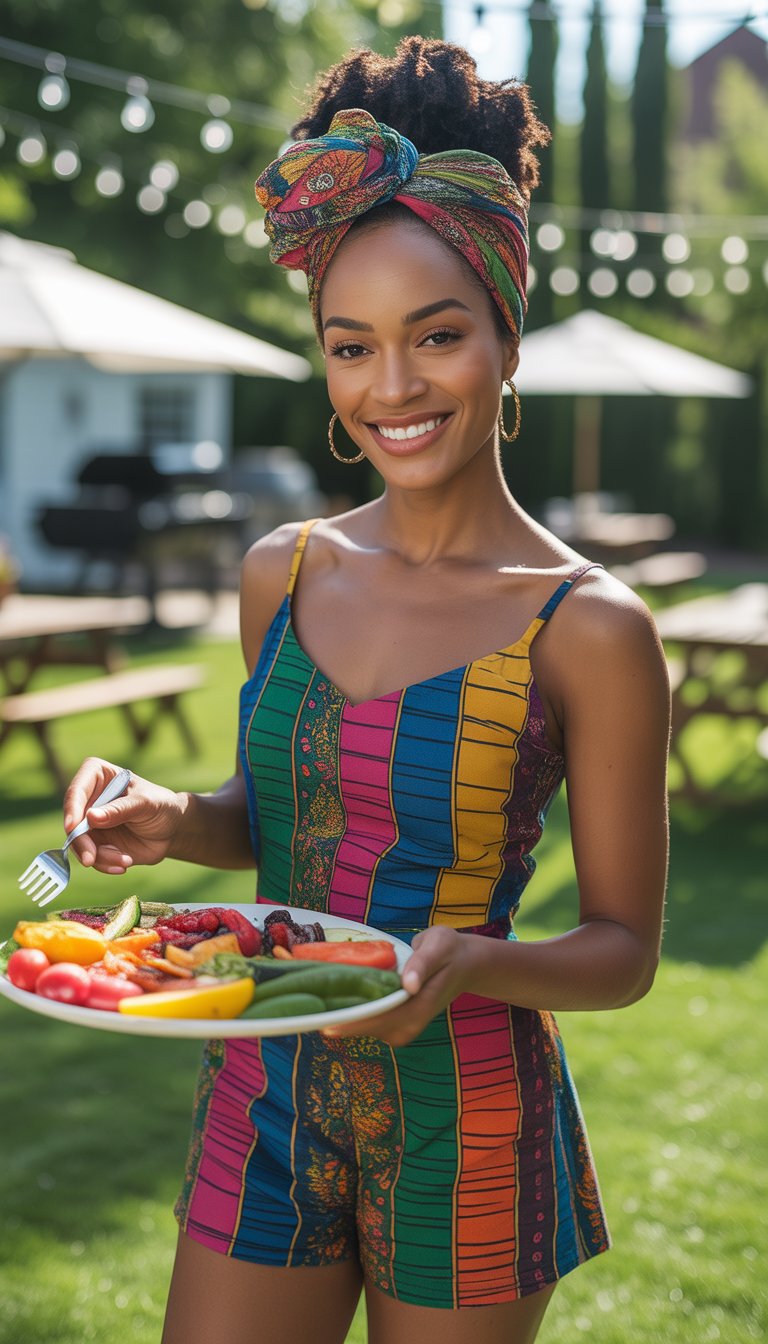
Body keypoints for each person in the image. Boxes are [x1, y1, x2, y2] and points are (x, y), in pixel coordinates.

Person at [64, 38, 669, 1344]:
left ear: (504, 334)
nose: (392, 388)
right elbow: (282, 814)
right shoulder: (282, 572)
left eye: (435, 336)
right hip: (264, 1083)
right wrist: (177, 815)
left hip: (474, 1120)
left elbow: (623, 952)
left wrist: (476, 964)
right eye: (352, 347)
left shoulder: (592, 627)